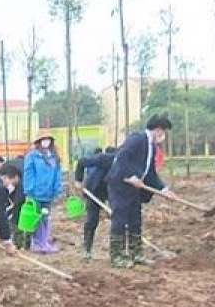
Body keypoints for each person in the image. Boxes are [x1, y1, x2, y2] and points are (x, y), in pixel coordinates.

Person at [107, 115, 177, 269]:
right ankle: (117, 256)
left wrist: (164, 190)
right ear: (158, 130)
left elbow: (150, 173)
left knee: (135, 220)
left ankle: (136, 253)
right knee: (120, 219)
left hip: (134, 188)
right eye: (163, 132)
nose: (163, 136)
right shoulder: (137, 139)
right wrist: (131, 175)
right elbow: (122, 157)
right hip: (120, 185)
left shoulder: (151, 146)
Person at [23, 134, 64, 254]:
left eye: (48, 140)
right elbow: (28, 173)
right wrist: (29, 190)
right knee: (36, 218)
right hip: (36, 193)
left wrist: (58, 189)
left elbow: (58, 174)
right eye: (43, 140)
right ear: (38, 142)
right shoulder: (32, 157)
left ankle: (44, 241)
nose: (46, 142)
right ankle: (36, 243)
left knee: (46, 217)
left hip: (48, 193)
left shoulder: (54, 157)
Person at [73, 146, 116, 261]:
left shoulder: (130, 163)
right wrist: (78, 180)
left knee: (118, 220)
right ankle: (87, 250)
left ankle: (117, 253)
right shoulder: (105, 159)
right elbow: (81, 162)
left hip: (114, 190)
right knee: (92, 220)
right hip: (95, 190)